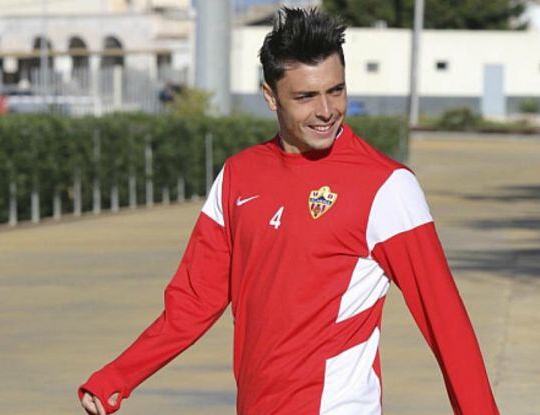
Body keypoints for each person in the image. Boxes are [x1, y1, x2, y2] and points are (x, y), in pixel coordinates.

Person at [79, 7, 499, 415]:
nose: (326, 110)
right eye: (305, 96)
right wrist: (117, 376)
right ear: (270, 97)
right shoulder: (238, 176)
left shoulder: (387, 187)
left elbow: (446, 322)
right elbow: (192, 301)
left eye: (336, 90)